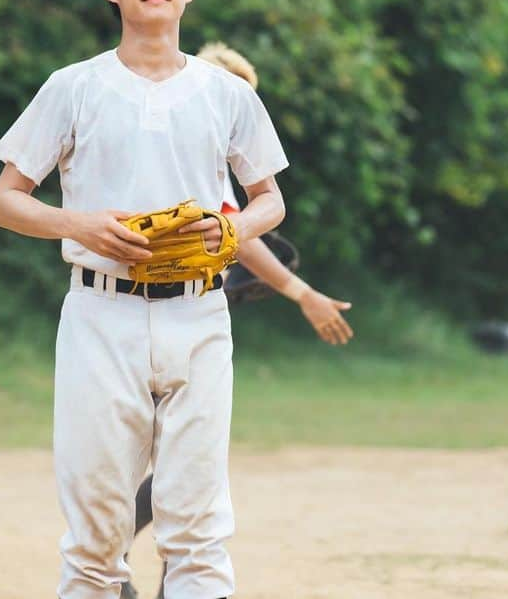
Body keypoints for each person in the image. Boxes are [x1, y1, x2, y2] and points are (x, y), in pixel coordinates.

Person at [0, 0, 289, 599]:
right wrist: (80, 224)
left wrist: (234, 232)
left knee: (198, 526)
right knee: (95, 532)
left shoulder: (227, 94)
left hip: (198, 309)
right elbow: (4, 200)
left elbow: (269, 198)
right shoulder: (75, 86)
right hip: (101, 309)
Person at [120, 42, 353, 599]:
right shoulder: (182, 147)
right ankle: (119, 565)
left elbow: (237, 233)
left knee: (169, 462)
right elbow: (245, 242)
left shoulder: (196, 152)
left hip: (181, 318)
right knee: (174, 465)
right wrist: (302, 293)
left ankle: (126, 567)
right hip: (152, 322)